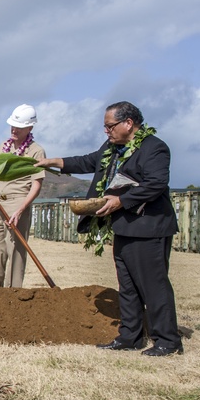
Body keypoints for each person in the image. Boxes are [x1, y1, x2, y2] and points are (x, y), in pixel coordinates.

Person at [36, 101, 182, 356]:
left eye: (110, 126)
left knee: (153, 285)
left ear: (129, 123)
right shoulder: (112, 148)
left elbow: (156, 184)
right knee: (127, 285)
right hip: (124, 226)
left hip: (149, 227)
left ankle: (167, 341)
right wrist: (51, 162)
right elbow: (86, 161)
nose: (107, 131)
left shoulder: (154, 148)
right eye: (105, 127)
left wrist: (121, 200)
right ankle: (130, 337)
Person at [0, 104, 46, 288]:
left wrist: (22, 209)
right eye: (12, 125)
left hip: (18, 202)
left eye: (19, 127)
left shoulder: (36, 151)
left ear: (30, 128)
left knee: (15, 249)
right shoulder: (3, 146)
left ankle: (13, 293)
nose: (14, 129)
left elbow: (36, 185)